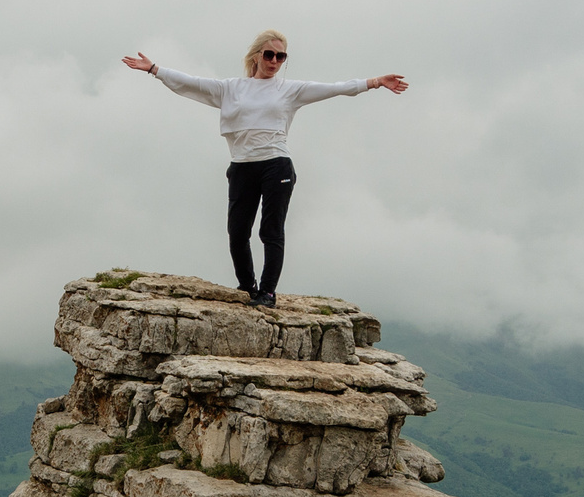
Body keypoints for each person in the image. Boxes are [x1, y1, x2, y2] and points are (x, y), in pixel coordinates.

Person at [122, 30, 407, 306]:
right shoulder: (231, 88)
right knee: (237, 232)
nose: (274, 61)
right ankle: (248, 288)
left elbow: (335, 88)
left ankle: (267, 293)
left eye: (281, 57)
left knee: (270, 231)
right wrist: (154, 69)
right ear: (256, 56)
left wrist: (375, 81)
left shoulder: (289, 89)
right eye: (269, 54)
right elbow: (191, 83)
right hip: (242, 166)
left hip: (276, 164)